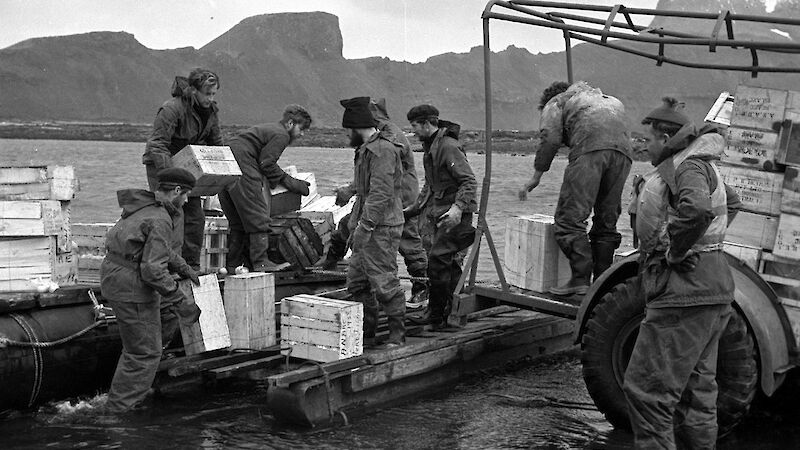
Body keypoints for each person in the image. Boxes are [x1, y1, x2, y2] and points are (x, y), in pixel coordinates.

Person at [622, 98, 741, 449]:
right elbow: (731, 203)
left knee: (647, 393)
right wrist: (705, 245)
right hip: (714, 287)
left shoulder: (686, 168)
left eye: (648, 139)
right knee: (697, 393)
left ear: (665, 136)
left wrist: (678, 250)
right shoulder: (704, 166)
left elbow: (699, 210)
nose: (644, 145)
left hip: (685, 292)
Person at [101, 168, 201, 413]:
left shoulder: (144, 208)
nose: (186, 201)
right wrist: (181, 300)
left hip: (114, 276)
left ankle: (123, 398)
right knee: (144, 352)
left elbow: (157, 249)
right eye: (186, 195)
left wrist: (184, 267)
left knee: (137, 347)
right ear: (177, 191)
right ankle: (119, 412)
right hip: (131, 286)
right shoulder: (160, 218)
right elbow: (152, 271)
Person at [519, 81, 632, 296]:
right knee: (606, 221)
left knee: (569, 220)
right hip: (624, 153)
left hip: (590, 148)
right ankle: (602, 284)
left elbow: (550, 138)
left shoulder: (556, 102)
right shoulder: (606, 99)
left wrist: (536, 177)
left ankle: (580, 279)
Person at [322, 98, 429, 304]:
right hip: (373, 198)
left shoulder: (389, 137)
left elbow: (383, 174)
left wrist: (351, 190)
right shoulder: (374, 138)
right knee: (347, 226)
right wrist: (352, 189)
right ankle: (330, 267)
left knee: (409, 244)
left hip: (399, 199)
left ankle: (421, 286)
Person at [340, 96, 407, 347]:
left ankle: (397, 336)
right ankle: (366, 334)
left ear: (357, 128)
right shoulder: (365, 151)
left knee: (384, 281)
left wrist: (365, 227)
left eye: (349, 130)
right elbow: (365, 190)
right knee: (357, 283)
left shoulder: (383, 151)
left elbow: (381, 193)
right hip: (365, 225)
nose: (347, 136)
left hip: (382, 227)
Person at [142, 68, 223, 271]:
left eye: (214, 94)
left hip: (189, 166)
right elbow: (157, 144)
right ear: (193, 90)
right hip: (161, 164)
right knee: (171, 213)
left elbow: (216, 143)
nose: (211, 99)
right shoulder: (171, 109)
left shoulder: (211, 112)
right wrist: (169, 176)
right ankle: (165, 265)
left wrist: (222, 169)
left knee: (195, 215)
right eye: (207, 94)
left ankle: (190, 266)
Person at [404, 104, 477, 330]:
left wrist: (457, 209)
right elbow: (431, 186)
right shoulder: (431, 147)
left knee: (437, 261)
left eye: (415, 126)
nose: (413, 131)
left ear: (427, 124)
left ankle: (436, 314)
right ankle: (449, 312)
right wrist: (413, 209)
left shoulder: (448, 147)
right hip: (440, 213)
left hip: (454, 215)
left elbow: (469, 181)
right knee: (449, 264)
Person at [218, 105, 313, 273]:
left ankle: (232, 265)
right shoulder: (281, 134)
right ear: (290, 123)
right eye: (301, 128)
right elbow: (266, 163)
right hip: (243, 164)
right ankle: (261, 262)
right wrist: (289, 181)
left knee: (238, 221)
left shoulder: (269, 129)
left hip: (226, 163)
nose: (302, 133)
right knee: (258, 215)